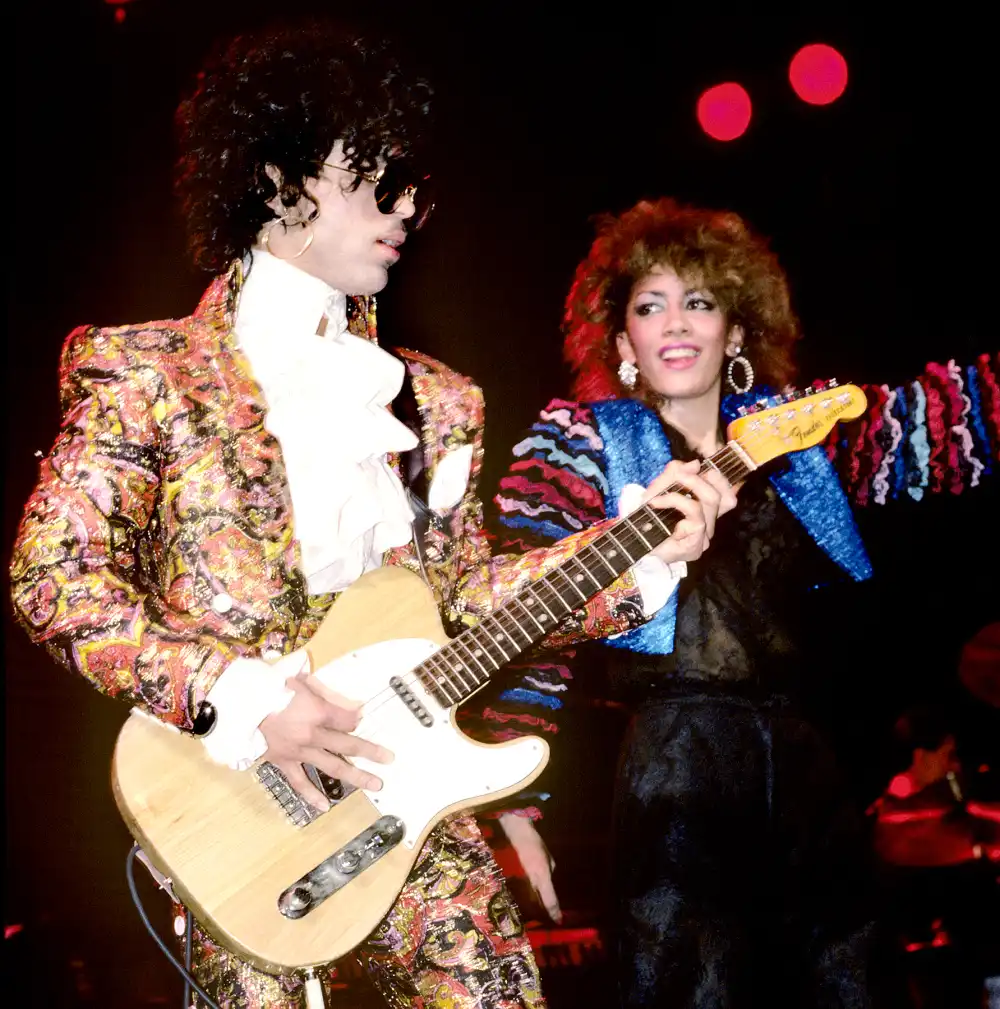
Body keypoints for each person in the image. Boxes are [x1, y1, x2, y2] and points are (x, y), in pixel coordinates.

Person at [7, 26, 731, 1009]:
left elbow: (468, 596)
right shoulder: (149, 373)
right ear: (276, 182)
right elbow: (56, 578)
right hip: (237, 796)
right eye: (370, 181)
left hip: (409, 780)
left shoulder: (433, 403)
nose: (404, 211)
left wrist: (641, 546)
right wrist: (245, 699)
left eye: (409, 187)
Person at [489, 197, 999, 1007]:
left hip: (810, 772)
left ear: (735, 328)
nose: (677, 323)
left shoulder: (799, 434)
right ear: (622, 341)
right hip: (677, 776)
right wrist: (517, 798)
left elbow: (948, 421)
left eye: (700, 301)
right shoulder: (582, 440)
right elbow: (521, 609)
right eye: (650, 305)